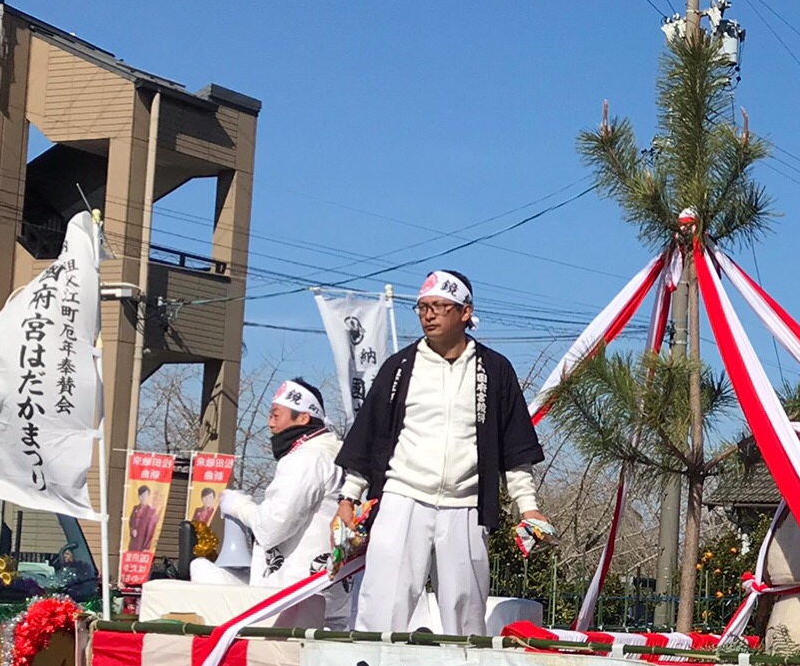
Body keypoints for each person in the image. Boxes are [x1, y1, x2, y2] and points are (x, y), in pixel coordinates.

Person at [334, 270, 551, 635]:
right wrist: (347, 498)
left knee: (465, 612)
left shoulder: (494, 370)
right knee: (384, 604)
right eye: (422, 308)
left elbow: (515, 447)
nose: (428, 315)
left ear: (465, 313)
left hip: (465, 505)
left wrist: (527, 505)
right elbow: (368, 437)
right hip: (403, 496)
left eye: (438, 306)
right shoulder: (400, 368)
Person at [205, 380, 344, 598]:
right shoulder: (336, 455)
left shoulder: (306, 458)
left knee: (201, 570)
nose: (270, 424)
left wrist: (240, 507)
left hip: (296, 588)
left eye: (276, 415)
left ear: (303, 417)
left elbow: (272, 525)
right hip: (331, 584)